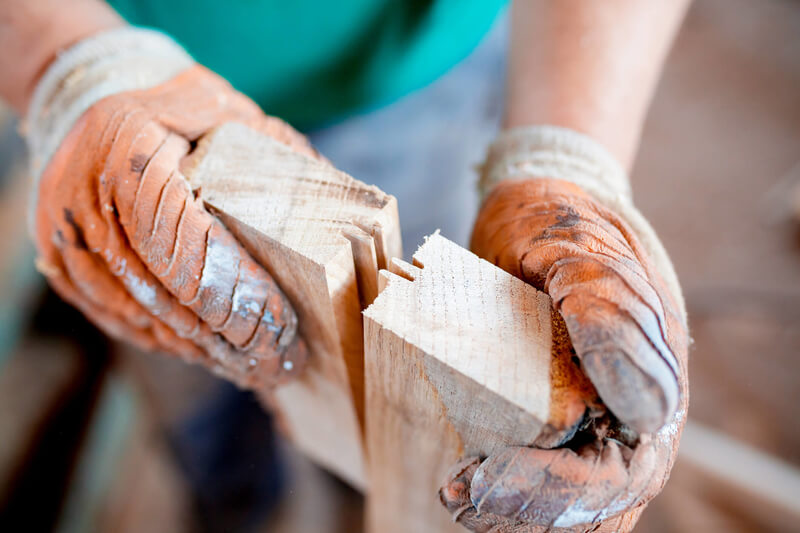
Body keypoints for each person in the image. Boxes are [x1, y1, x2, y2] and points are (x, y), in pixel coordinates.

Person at [0, 1, 690, 530]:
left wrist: (569, 155)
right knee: (196, 374)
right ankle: (238, 504)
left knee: (454, 393)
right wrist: (56, 59)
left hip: (415, 76)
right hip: (120, 84)